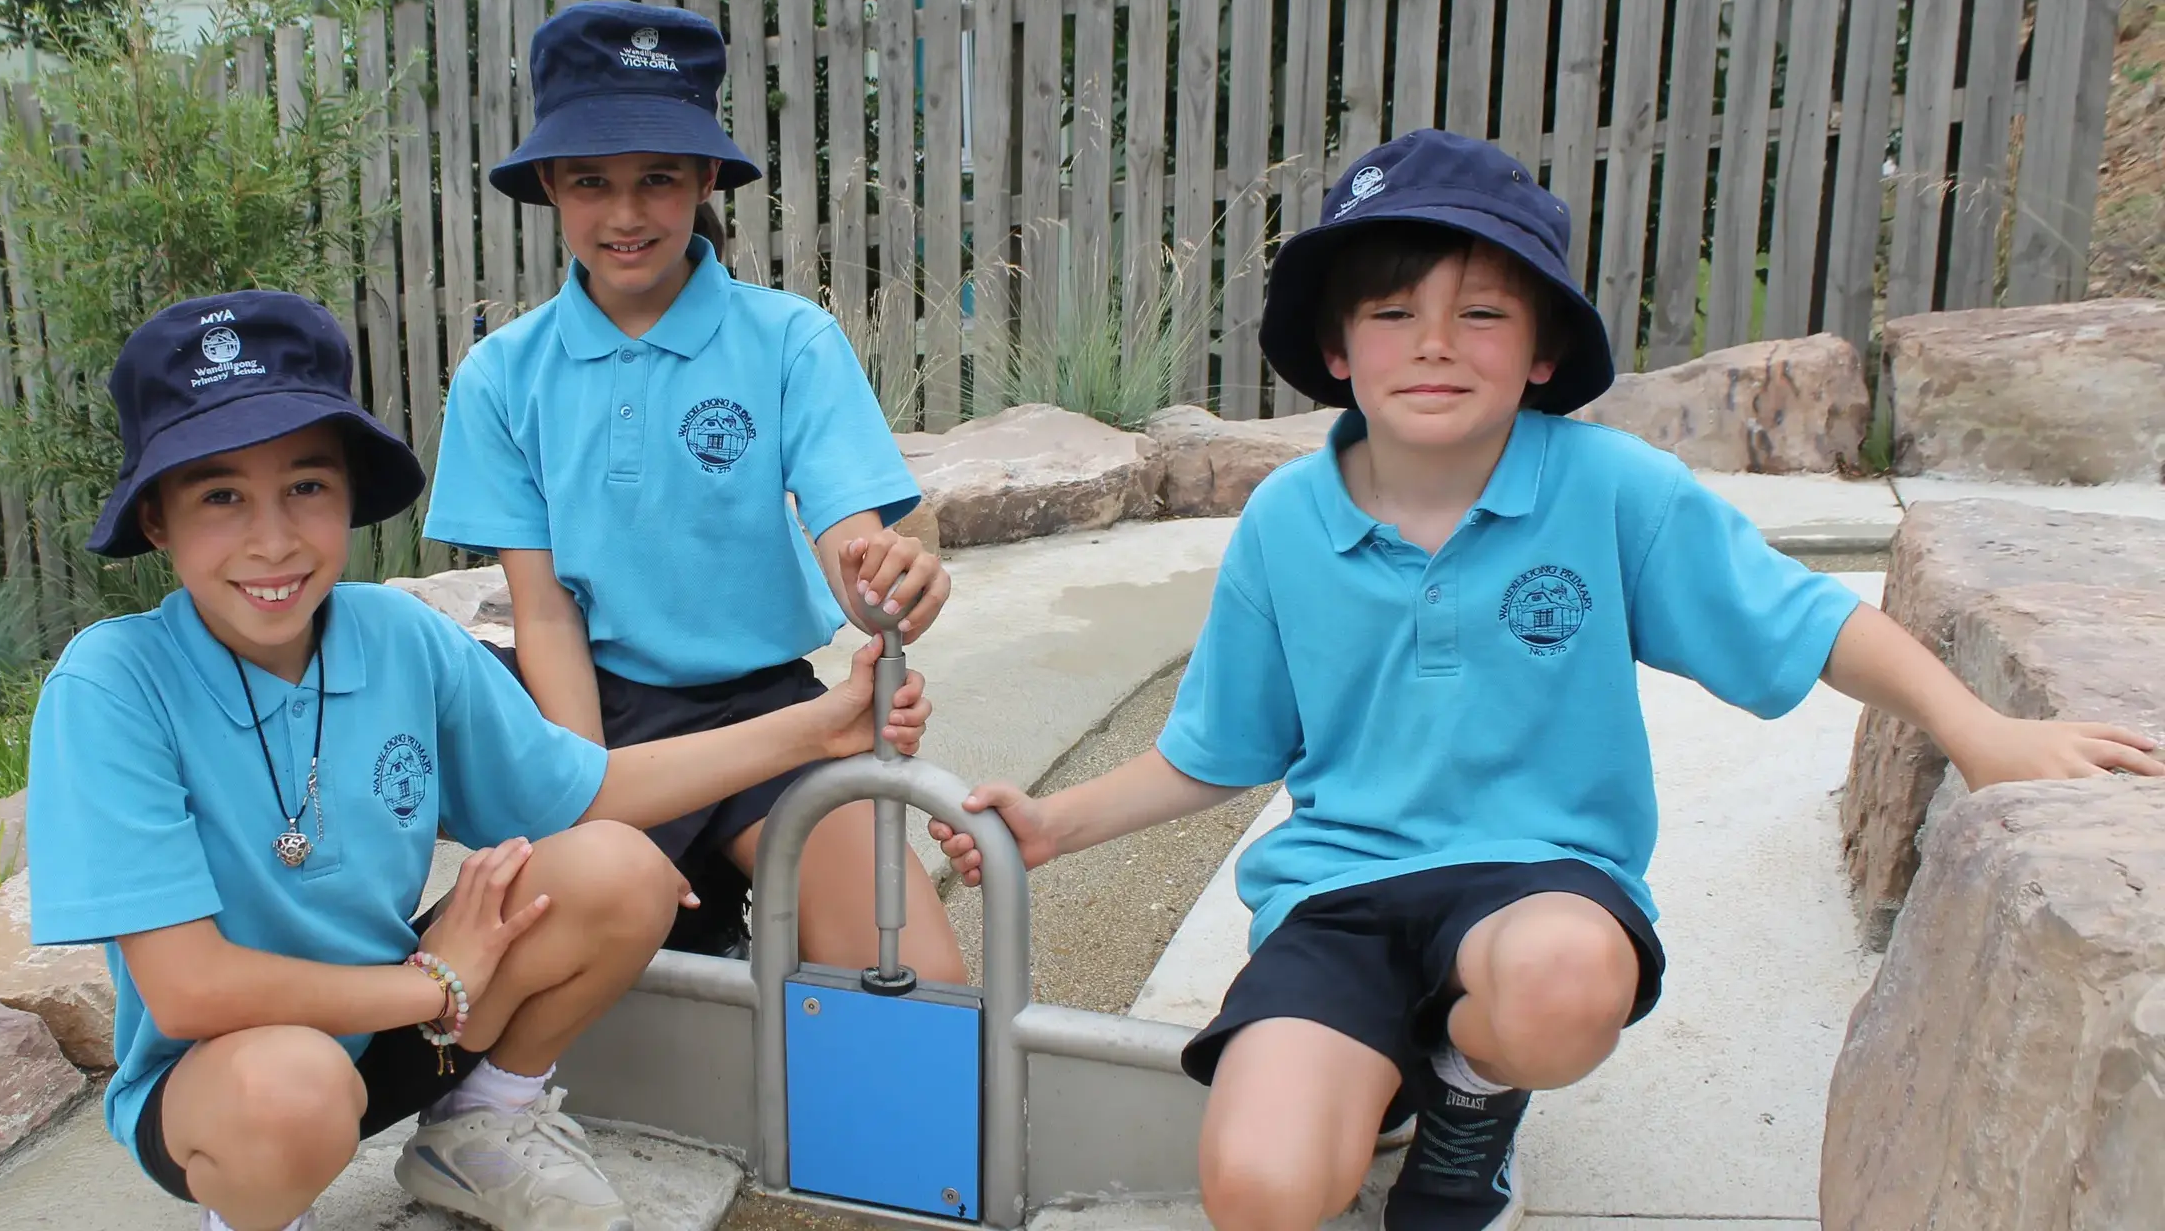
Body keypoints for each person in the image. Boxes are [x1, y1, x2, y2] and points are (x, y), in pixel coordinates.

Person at [926, 129, 2164, 1231]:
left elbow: (1806, 621)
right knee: (1257, 1190)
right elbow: (1224, 745)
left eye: (1480, 314)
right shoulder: (1286, 522)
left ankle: (1471, 1100)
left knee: (1560, 988)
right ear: (1334, 348)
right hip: (1341, 895)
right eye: (1393, 312)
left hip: (1537, 884)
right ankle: (1394, 1070)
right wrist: (1052, 824)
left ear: (1540, 351)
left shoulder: (1608, 491)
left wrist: (1976, 725)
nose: (1432, 346)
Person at [25, 289, 934, 1231]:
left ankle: (479, 1126)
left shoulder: (399, 638)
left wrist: (819, 728)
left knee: (621, 867)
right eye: (221, 496)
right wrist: (431, 982)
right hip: (231, 1076)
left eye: (306, 486)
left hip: (408, 1024)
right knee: (286, 1093)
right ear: (157, 522)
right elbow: (190, 987)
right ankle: (256, 1212)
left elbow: (586, 792)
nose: (274, 539)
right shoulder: (113, 684)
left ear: (347, 494)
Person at [423, 0, 964, 981]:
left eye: (658, 179)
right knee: (534, 971)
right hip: (601, 711)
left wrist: (888, 583)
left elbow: (854, 549)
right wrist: (580, 795)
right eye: (591, 181)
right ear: (549, 182)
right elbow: (542, 615)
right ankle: (690, 920)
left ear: (706, 176)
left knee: (920, 988)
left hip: (773, 712)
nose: (625, 215)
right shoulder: (501, 378)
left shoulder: (790, 340)